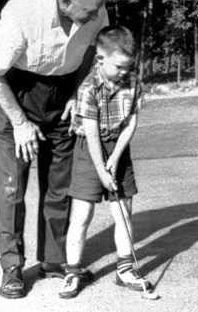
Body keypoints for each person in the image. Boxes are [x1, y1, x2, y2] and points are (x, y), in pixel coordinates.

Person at [0, 0, 108, 299]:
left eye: (99, 8)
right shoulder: (22, 13)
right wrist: (20, 123)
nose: (97, 15)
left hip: (60, 92)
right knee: (13, 187)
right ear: (65, 0)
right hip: (13, 90)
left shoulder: (94, 8)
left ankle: (55, 261)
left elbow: (92, 50)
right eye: (89, 10)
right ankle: (12, 266)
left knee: (60, 184)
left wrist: (75, 92)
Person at [58, 25, 151, 299]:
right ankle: (72, 272)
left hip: (118, 148)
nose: (125, 72)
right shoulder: (88, 88)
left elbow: (131, 122)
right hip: (89, 150)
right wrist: (101, 168)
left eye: (129, 66)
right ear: (100, 60)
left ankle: (125, 269)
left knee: (124, 209)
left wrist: (116, 158)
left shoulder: (133, 83)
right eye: (120, 67)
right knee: (83, 214)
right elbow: (90, 131)